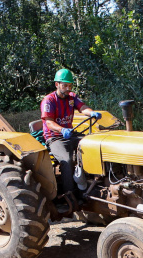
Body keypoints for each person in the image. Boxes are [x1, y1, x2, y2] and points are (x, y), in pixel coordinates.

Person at [41, 69, 100, 203]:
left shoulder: (72, 97)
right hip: (55, 137)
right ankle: (70, 196)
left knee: (90, 146)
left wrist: (91, 113)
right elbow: (49, 122)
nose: (68, 88)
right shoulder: (48, 101)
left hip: (70, 134)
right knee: (67, 160)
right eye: (65, 85)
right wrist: (62, 130)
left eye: (70, 85)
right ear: (57, 84)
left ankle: (89, 185)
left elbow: (82, 107)